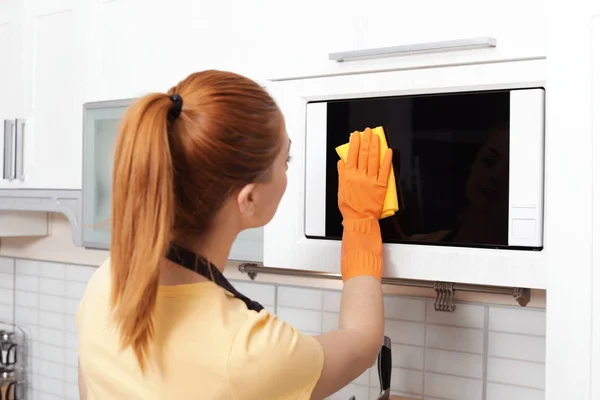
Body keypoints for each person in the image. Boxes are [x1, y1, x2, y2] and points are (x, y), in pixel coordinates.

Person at [76, 70, 393, 400]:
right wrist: (360, 219)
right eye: (286, 159)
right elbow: (361, 340)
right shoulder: (252, 351)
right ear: (250, 199)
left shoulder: (108, 283)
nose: (288, 172)